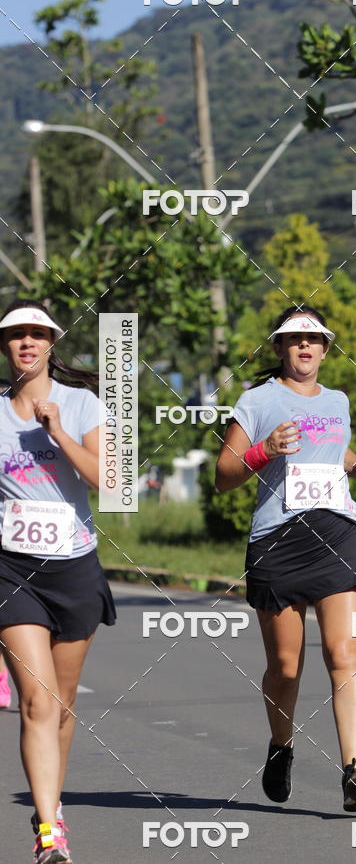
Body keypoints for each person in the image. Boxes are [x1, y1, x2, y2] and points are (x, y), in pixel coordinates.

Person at [215, 305, 356, 812]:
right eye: (294, 340)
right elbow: (224, 475)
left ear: (325, 349)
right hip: (278, 540)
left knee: (344, 654)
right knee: (287, 667)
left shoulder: (338, 400)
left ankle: (355, 769)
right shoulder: (256, 400)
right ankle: (281, 746)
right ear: (280, 348)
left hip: (338, 531)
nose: (304, 347)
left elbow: (334, 449)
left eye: (313, 340)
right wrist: (264, 449)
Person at [0, 299, 116, 863]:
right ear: (5, 347)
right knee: (38, 704)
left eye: (36, 334)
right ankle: (49, 833)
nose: (27, 343)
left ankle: (53, 806)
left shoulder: (81, 403)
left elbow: (108, 481)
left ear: (51, 343)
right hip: (11, 568)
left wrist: (60, 433)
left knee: (64, 706)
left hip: (73, 567)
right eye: (16, 335)